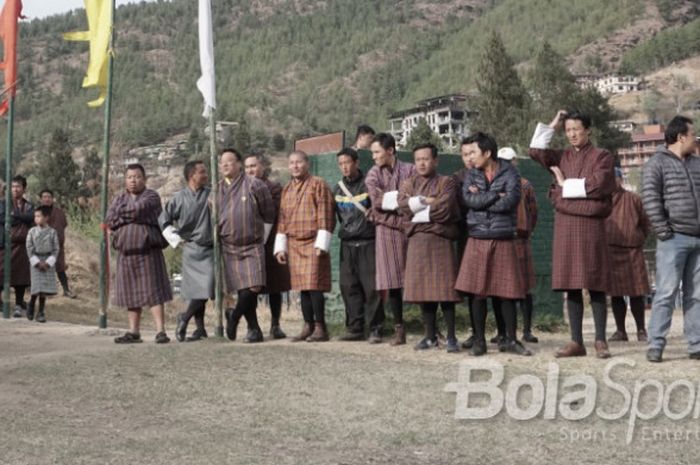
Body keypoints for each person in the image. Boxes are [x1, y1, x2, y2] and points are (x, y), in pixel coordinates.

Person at [529, 110, 615, 359]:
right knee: (571, 284)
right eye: (568, 130)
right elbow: (535, 151)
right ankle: (576, 341)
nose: (573, 134)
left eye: (577, 129)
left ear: (588, 130)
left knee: (595, 283)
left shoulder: (602, 156)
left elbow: (599, 185)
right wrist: (553, 124)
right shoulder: (560, 156)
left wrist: (564, 189)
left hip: (592, 230)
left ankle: (600, 340)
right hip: (566, 227)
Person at [455, 132, 531, 356]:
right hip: (477, 236)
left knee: (507, 292)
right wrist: (496, 195)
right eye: (466, 154)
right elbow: (468, 200)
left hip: (503, 236)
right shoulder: (471, 175)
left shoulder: (510, 172)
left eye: (473, 153)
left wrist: (485, 198)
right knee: (476, 293)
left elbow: (511, 201)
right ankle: (479, 341)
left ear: (487, 153)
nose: (470, 158)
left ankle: (510, 340)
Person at [642, 116, 700, 362]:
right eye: (693, 134)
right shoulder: (656, 164)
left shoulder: (697, 164)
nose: (696, 138)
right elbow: (650, 199)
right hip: (673, 238)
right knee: (665, 292)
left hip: (698, 239)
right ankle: (655, 345)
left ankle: (696, 345)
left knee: (696, 295)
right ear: (681, 137)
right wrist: (664, 231)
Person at [399, 143, 461, 352]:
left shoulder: (447, 182)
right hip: (417, 242)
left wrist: (418, 212)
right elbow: (401, 207)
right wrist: (427, 201)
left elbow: (445, 208)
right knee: (423, 291)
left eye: (426, 159)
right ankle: (429, 336)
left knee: (445, 290)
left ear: (436, 160)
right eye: (418, 159)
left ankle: (451, 337)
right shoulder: (408, 183)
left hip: (441, 241)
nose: (422, 163)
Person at [107, 164, 173, 344]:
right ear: (125, 180)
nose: (133, 180)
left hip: (148, 250)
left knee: (154, 291)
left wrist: (123, 216)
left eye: (137, 177)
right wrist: (125, 217)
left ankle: (161, 331)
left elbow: (140, 209)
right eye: (129, 177)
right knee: (131, 293)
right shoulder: (119, 198)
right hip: (126, 252)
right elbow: (110, 218)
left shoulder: (152, 196)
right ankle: (133, 332)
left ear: (144, 179)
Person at [274, 150, 336, 342]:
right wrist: (280, 247)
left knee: (314, 286)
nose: (295, 166)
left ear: (306, 163)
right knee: (301, 287)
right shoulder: (286, 189)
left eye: (298, 162)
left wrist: (321, 243)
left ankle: (320, 327)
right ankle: (307, 325)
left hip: (313, 241)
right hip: (294, 243)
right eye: (291, 163)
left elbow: (326, 213)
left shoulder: (318, 184)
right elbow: (282, 220)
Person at [218, 149, 275, 343]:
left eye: (229, 161)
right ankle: (254, 329)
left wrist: (263, 238)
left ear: (239, 164)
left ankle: (234, 316)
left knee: (255, 285)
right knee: (242, 289)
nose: (225, 165)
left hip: (252, 244)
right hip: (229, 246)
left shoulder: (254, 185)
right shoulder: (216, 189)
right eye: (222, 163)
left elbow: (268, 213)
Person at [365, 133, 415, 345]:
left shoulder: (410, 169)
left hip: (412, 228)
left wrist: (396, 200)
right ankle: (399, 328)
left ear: (391, 150)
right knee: (392, 281)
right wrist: (402, 199)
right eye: (372, 153)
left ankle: (432, 328)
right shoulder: (372, 175)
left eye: (377, 152)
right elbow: (376, 201)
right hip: (386, 230)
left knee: (416, 277)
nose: (374, 156)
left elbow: (416, 196)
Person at [159, 160, 214, 342]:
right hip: (191, 249)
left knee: (207, 287)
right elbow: (163, 219)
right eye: (203, 172)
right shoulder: (178, 198)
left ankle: (185, 317)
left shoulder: (211, 195)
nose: (206, 175)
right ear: (192, 176)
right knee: (198, 291)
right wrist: (175, 238)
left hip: (211, 248)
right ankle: (199, 328)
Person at [333, 147, 384, 342]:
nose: (344, 167)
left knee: (372, 288)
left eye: (347, 162)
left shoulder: (369, 185)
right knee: (348, 287)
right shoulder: (337, 189)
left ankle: (376, 329)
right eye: (341, 164)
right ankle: (355, 328)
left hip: (368, 243)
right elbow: (337, 216)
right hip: (347, 244)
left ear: (357, 163)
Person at [244, 154, 290, 339]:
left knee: (275, 287)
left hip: (271, 242)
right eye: (247, 167)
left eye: (254, 166)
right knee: (250, 288)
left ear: (262, 166)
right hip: (249, 244)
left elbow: (278, 213)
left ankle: (275, 325)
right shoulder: (241, 188)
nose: (250, 170)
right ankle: (252, 327)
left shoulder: (274, 187)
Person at [498, 147, 539, 343]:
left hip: (520, 239)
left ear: (515, 161)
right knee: (501, 288)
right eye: (502, 161)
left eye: (509, 161)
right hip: (501, 238)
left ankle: (527, 330)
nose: (506, 164)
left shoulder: (525, 185)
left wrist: (526, 231)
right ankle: (503, 331)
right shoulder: (495, 184)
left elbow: (533, 212)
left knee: (524, 288)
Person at [606, 168, 651, 343]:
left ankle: (641, 330)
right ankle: (620, 331)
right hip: (610, 251)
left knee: (636, 292)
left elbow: (645, 223)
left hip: (632, 251)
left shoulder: (633, 199)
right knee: (616, 294)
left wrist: (637, 238)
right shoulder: (602, 201)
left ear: (620, 180)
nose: (613, 182)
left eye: (615, 178)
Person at [39, 189, 76, 298]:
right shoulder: (37, 213)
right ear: (41, 199)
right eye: (44, 197)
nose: (47, 199)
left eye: (49, 196)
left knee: (60, 268)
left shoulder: (59, 212)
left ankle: (66, 290)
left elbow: (63, 225)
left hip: (57, 246)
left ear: (52, 199)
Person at [25, 206, 60, 323]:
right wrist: (36, 262)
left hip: (48, 261)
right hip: (36, 261)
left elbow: (56, 249)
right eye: (35, 216)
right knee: (37, 286)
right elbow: (29, 247)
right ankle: (31, 304)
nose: (36, 218)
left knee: (44, 289)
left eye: (39, 216)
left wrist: (48, 262)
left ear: (46, 218)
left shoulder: (52, 232)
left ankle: (41, 311)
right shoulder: (32, 231)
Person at [9, 176, 33, 318]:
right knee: (2, 273)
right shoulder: (6, 203)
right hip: (7, 245)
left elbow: (31, 218)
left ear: (24, 188)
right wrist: (21, 217)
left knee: (21, 277)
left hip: (23, 246)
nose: (15, 189)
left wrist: (17, 215)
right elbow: (6, 219)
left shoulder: (29, 205)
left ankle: (18, 305)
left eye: (18, 186)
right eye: (13, 186)